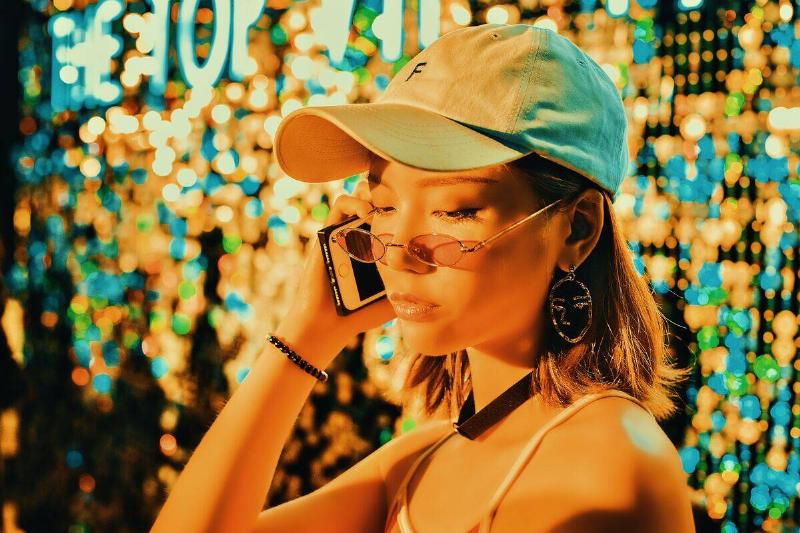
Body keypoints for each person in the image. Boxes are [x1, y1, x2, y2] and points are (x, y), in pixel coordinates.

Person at [151, 23, 696, 532]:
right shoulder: (417, 463)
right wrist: (308, 335)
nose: (399, 255)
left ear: (577, 228)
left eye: (455, 210)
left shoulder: (609, 469)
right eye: (382, 207)